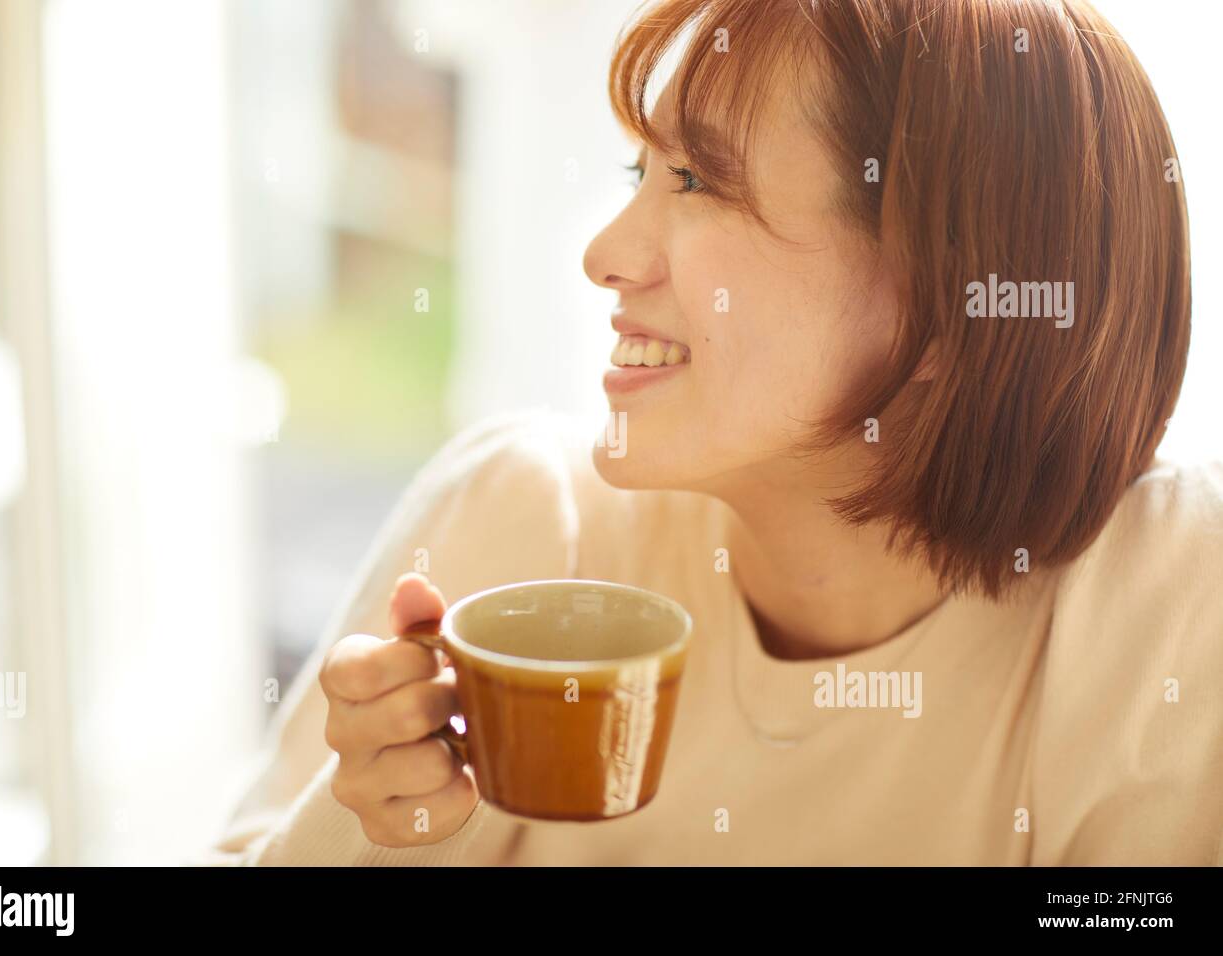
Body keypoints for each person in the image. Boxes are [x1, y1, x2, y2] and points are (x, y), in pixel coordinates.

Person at [198, 0, 1223, 865]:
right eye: (635, 175)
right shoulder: (525, 529)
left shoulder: (1163, 603)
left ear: (956, 293)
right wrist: (364, 821)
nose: (604, 254)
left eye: (697, 182)